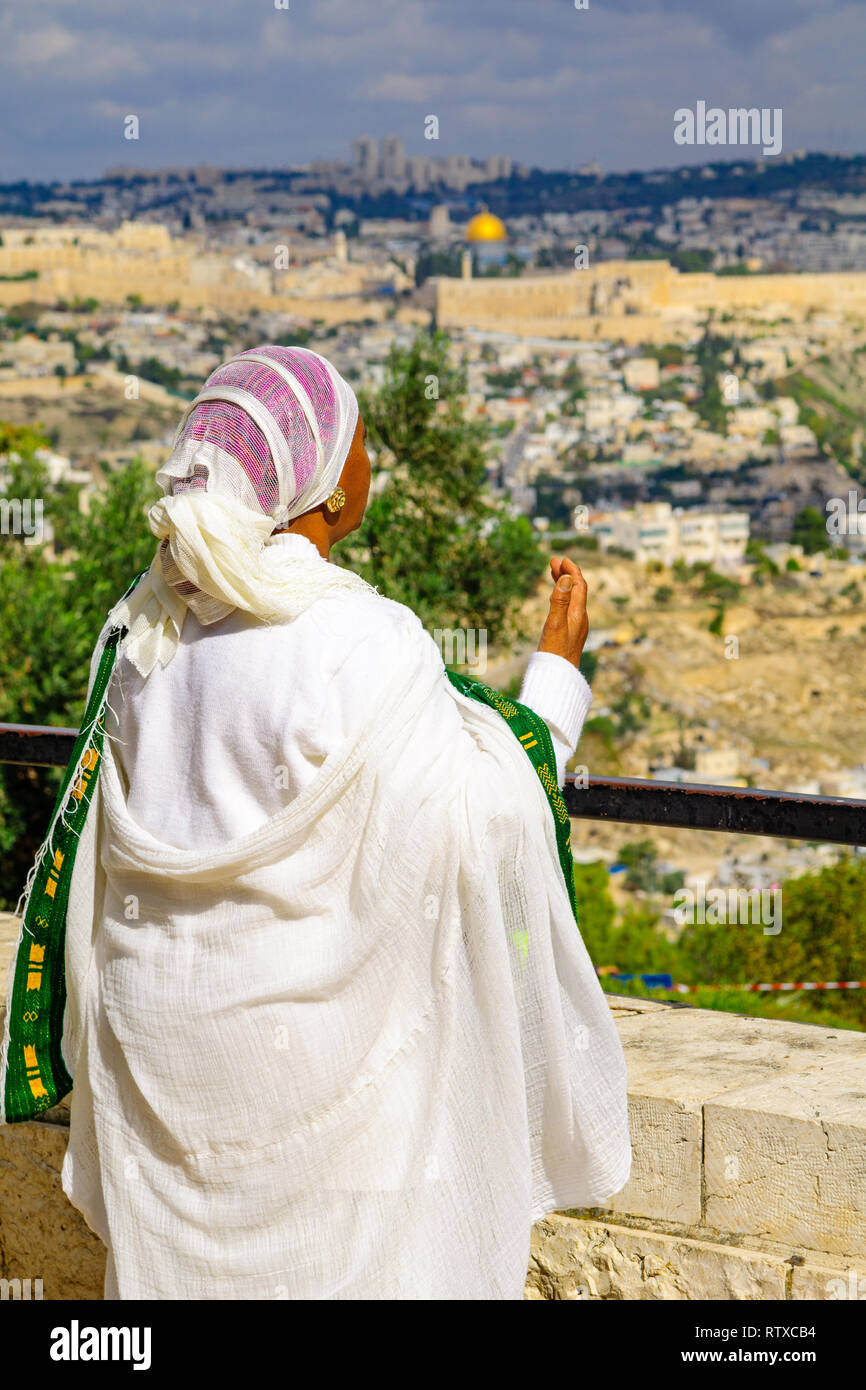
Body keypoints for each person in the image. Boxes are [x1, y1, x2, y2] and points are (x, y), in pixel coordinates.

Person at [46, 345, 630, 1299]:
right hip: (315, 1091)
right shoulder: (356, 638)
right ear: (327, 491)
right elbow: (476, 827)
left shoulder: (140, 636)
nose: (369, 460)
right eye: (358, 443)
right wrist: (555, 687)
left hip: (167, 1063)